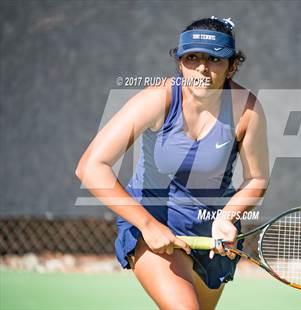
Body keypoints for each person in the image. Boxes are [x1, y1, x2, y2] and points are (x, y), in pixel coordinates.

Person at [75, 16, 269, 310]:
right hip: (151, 222)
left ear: (232, 66)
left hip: (210, 234)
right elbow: (91, 166)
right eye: (192, 58)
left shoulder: (247, 110)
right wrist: (148, 225)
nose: (202, 68)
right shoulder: (157, 100)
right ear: (180, 63)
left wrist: (227, 218)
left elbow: (256, 178)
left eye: (215, 59)